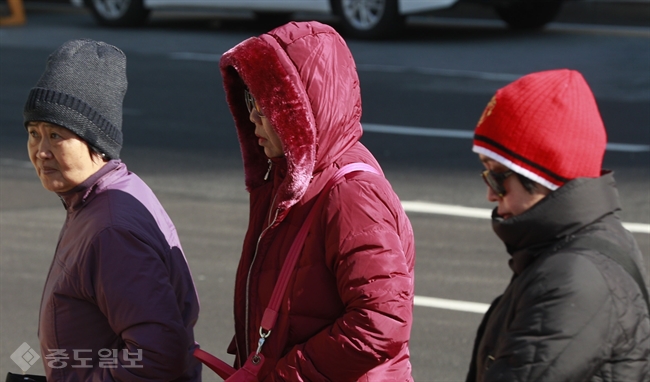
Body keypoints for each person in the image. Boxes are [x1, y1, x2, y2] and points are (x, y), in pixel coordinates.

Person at [218, 21, 416, 381]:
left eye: (264, 106)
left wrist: (287, 375)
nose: (252, 118)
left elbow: (381, 322)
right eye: (249, 100)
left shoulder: (352, 193)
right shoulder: (290, 178)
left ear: (300, 112)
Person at [24, 39, 201, 381]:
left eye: (57, 135)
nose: (41, 151)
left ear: (97, 141)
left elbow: (157, 355)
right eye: (34, 133)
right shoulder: (98, 198)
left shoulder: (112, 229)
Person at [465, 69, 650, 381]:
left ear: (544, 178)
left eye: (497, 176)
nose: (489, 194)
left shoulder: (572, 277)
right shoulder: (580, 245)